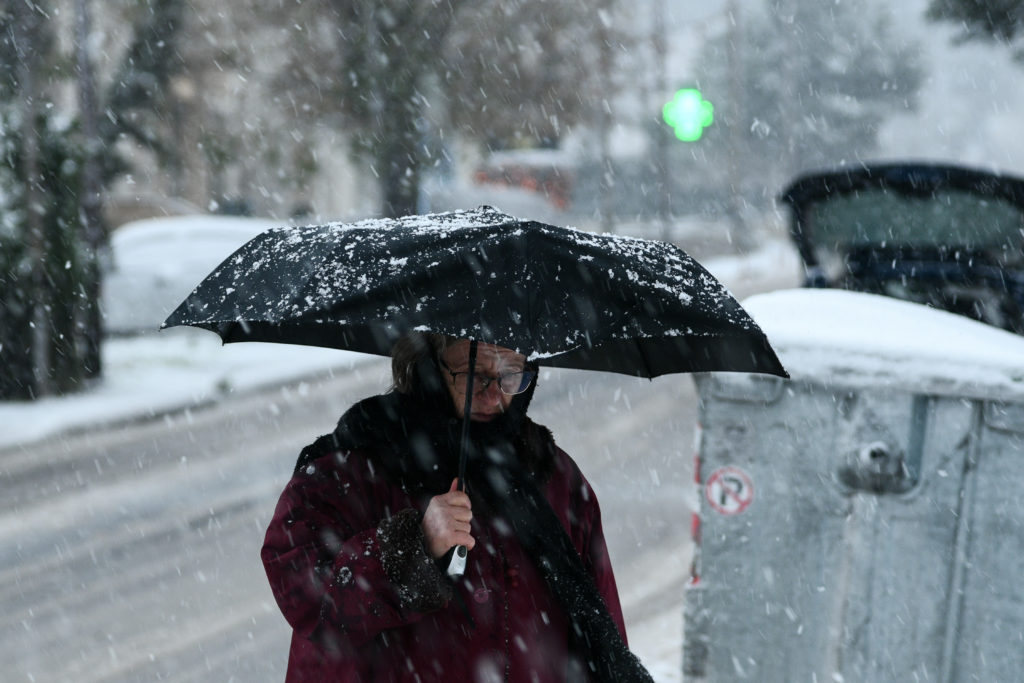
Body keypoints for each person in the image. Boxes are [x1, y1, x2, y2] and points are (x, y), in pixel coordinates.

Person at [261, 333, 650, 682]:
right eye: (472, 375)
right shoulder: (349, 469)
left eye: (511, 374)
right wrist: (413, 546)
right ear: (427, 366)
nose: (493, 395)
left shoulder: (552, 475)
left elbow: (600, 625)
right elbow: (306, 592)